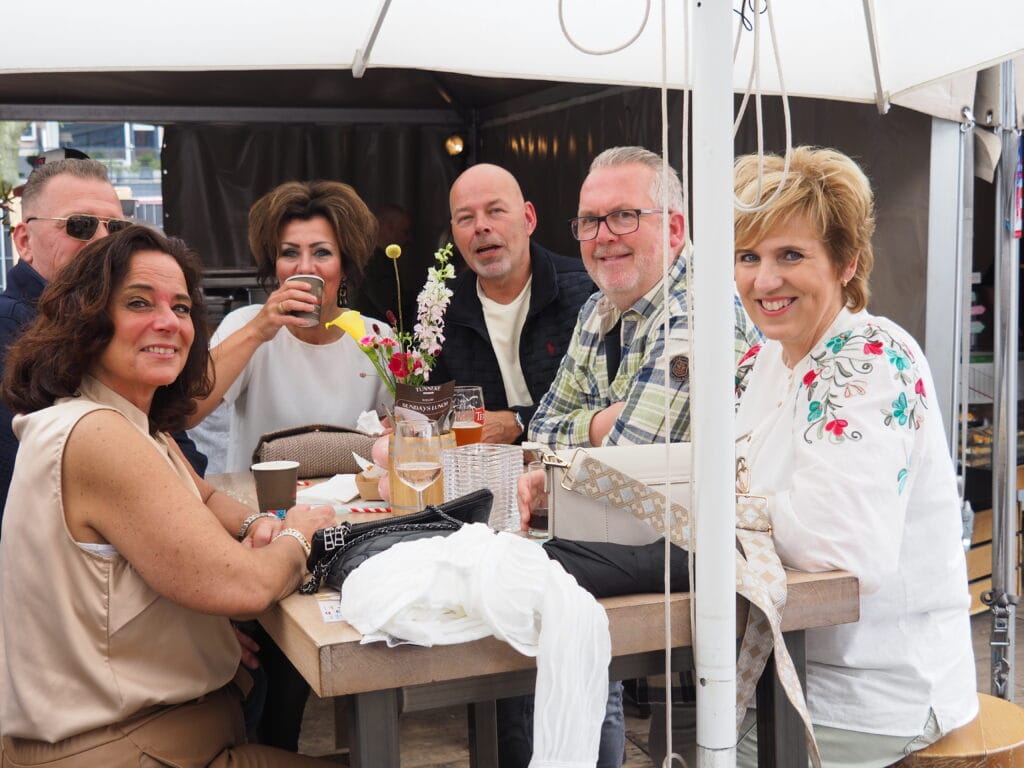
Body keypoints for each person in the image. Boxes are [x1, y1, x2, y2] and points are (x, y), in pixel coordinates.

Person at [0, 225, 334, 766]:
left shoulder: (130, 422)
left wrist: (253, 527)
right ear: (88, 318)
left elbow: (201, 497)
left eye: (181, 307)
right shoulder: (98, 434)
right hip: (124, 748)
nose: (168, 323)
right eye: (138, 303)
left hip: (164, 733)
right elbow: (246, 586)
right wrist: (300, 532)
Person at [716, 146, 976, 766]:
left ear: (846, 262)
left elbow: (842, 545)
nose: (764, 280)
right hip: (786, 676)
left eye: (791, 256)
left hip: (877, 691)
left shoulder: (872, 357)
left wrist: (728, 512)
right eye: (748, 257)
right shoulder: (760, 362)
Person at [519, 146, 761, 767]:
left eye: (625, 216)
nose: (603, 238)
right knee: (543, 624)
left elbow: (628, 465)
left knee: (536, 616)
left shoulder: (695, 311)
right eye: (590, 222)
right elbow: (540, 431)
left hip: (711, 578)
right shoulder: (601, 308)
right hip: (637, 554)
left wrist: (579, 449)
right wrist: (599, 427)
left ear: (674, 227)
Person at [0, 156, 207, 526]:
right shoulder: (12, 328)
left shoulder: (109, 328)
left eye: (116, 227)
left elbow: (178, 453)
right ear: (24, 241)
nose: (102, 241)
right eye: (80, 226)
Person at [187, 180, 393, 474]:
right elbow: (187, 411)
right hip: (264, 507)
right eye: (290, 253)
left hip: (353, 506)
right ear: (275, 266)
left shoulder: (377, 337)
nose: (305, 267)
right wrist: (257, 331)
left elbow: (401, 431)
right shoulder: (246, 325)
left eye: (322, 252)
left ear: (345, 266)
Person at [434, 163, 595, 443]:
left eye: (496, 211)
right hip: (480, 473)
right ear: (453, 233)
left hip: (572, 470)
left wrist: (519, 420)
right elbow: (435, 414)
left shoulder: (586, 290)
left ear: (529, 218)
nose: (481, 226)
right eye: (465, 218)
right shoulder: (439, 309)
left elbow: (606, 405)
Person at [349, 202, 416, 323]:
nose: (408, 240)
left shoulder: (374, 260)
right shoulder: (372, 263)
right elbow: (391, 306)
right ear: (390, 227)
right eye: (405, 232)